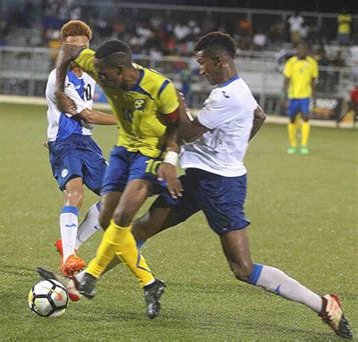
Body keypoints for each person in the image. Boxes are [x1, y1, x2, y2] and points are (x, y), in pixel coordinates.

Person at [121, 31, 352, 339]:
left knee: (243, 269)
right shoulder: (238, 89)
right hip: (196, 180)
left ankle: (323, 304)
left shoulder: (226, 97)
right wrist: (232, 150)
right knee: (138, 230)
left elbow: (188, 132)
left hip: (221, 187)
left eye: (203, 63)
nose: (201, 69)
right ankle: (81, 282)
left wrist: (177, 105)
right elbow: (259, 116)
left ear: (220, 61)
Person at [52, 39, 183, 319]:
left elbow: (176, 126)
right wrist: (58, 89)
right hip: (123, 149)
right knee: (105, 219)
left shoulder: (160, 88)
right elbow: (67, 51)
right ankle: (150, 283)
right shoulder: (100, 64)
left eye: (104, 75)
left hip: (150, 154)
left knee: (123, 216)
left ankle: (90, 276)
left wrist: (170, 161)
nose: (99, 78)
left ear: (122, 69)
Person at [45, 20, 116, 278]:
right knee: (75, 194)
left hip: (86, 143)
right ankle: (69, 258)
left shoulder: (88, 75)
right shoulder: (58, 77)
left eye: (84, 48)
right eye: (73, 48)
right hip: (65, 143)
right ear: (64, 48)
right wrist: (127, 119)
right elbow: (88, 115)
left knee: (112, 198)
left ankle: (71, 246)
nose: (79, 53)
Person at [282, 41, 318, 154]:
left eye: (304, 49)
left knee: (306, 117)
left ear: (307, 50)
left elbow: (313, 81)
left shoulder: (312, 63)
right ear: (296, 50)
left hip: (305, 96)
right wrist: (283, 95)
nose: (302, 51)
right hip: (293, 96)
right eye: (300, 49)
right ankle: (293, 145)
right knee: (292, 119)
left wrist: (314, 96)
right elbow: (286, 80)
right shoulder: (291, 62)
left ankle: (303, 145)